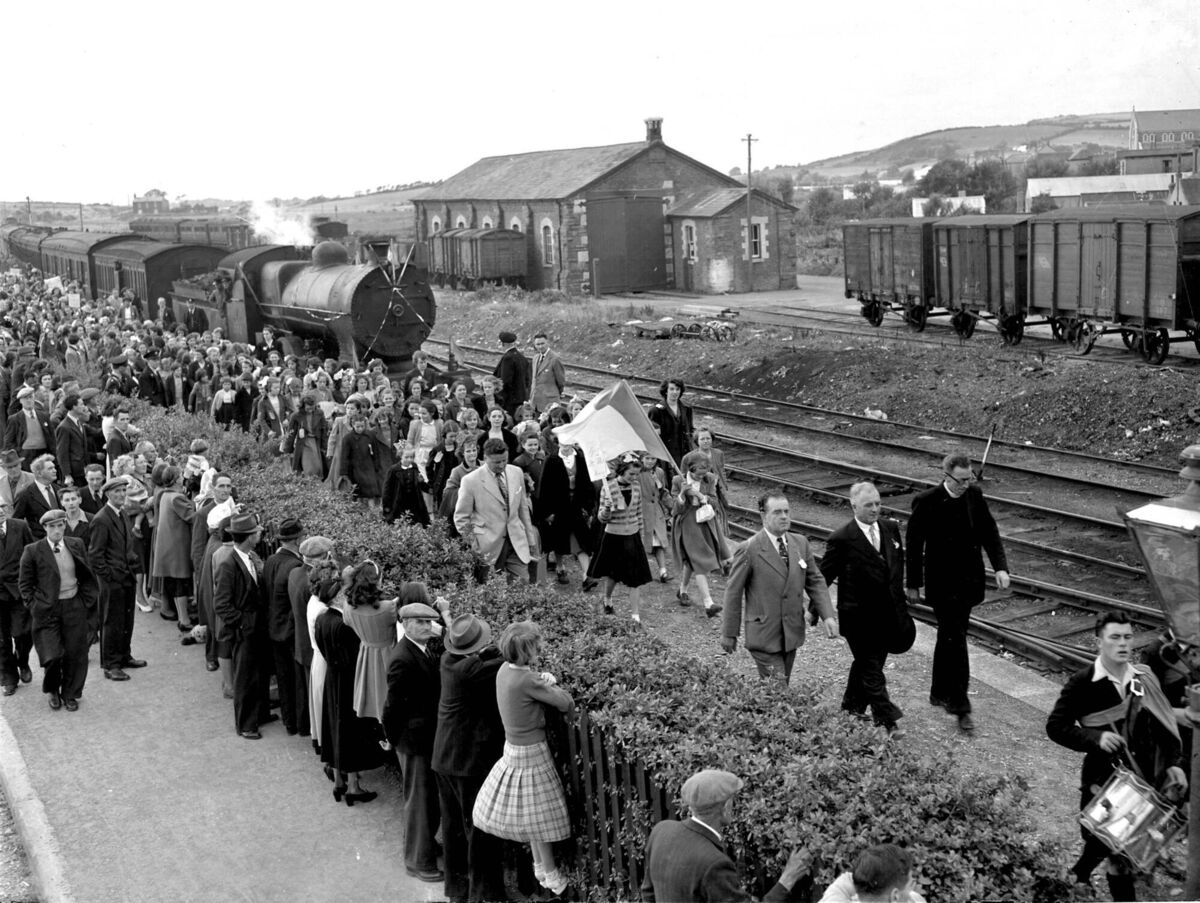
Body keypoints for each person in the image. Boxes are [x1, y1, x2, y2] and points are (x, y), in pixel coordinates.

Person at [1046, 611, 1186, 902]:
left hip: (1144, 778)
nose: (1123, 644)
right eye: (1115, 637)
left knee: (1116, 848)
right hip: (1104, 778)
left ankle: (1077, 875)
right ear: (1100, 641)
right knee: (1116, 854)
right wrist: (1095, 738)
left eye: (1127, 637)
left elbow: (1162, 726)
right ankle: (1078, 877)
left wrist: (1173, 766)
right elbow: (1056, 727)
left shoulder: (1144, 676)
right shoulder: (1082, 683)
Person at [906, 453, 1009, 733]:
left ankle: (939, 692)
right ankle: (960, 705)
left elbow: (990, 533)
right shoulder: (927, 501)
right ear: (947, 476)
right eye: (961, 480)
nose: (965, 484)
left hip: (968, 582)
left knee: (950, 635)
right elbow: (914, 544)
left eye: (969, 478)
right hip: (942, 585)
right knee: (957, 637)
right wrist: (913, 583)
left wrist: (1000, 568)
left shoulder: (974, 496)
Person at [473, 621, 574, 896]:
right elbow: (565, 702)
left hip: (512, 748)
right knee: (541, 817)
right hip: (532, 751)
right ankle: (551, 874)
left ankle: (540, 866)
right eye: (536, 648)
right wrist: (550, 682)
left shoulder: (505, 670)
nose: (539, 652)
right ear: (528, 652)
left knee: (532, 815)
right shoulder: (528, 680)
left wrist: (541, 678)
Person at [641, 769, 808, 903]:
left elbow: (648, 894)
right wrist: (788, 878)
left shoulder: (661, 831)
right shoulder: (714, 864)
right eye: (733, 800)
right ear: (726, 807)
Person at [819, 482, 907, 736]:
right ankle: (887, 720)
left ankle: (851, 708)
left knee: (869, 664)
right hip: (857, 617)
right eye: (869, 505)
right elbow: (824, 576)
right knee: (871, 668)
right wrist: (817, 610)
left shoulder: (890, 529)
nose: (875, 509)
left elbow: (896, 566)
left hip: (887, 615)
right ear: (854, 506)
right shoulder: (842, 538)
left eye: (878, 504)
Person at [722, 490, 837, 683]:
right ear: (763, 516)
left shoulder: (800, 543)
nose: (784, 516)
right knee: (778, 688)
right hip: (764, 635)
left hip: (791, 633)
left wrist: (827, 615)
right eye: (777, 512)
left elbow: (815, 581)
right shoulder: (750, 549)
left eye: (786, 511)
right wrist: (729, 633)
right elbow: (733, 592)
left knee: (777, 688)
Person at [432, 613, 507, 903]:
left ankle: (458, 891)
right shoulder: (473, 671)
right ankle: (484, 894)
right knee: (479, 830)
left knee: (453, 828)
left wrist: (482, 650)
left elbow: (483, 659)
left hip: (445, 757)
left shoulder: (448, 661)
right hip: (467, 762)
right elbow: (507, 659)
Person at [382, 587, 451, 883]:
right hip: (414, 742)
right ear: (407, 625)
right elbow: (392, 706)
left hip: (421, 738)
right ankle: (419, 862)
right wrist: (392, 738)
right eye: (421, 622)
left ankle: (425, 848)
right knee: (420, 802)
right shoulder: (403, 657)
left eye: (429, 622)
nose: (427, 627)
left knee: (426, 800)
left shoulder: (417, 649)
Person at [314, 567, 387, 805]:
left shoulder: (322, 619)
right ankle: (353, 786)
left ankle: (339, 780)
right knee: (350, 734)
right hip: (348, 682)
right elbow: (353, 657)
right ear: (337, 597)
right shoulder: (343, 624)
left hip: (332, 679)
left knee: (335, 729)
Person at [18, 509, 100, 713]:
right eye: (52, 526)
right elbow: (25, 584)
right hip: (47, 610)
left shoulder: (76, 544)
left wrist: (85, 600)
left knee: (75, 653)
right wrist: (35, 606)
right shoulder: (33, 550)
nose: (57, 530)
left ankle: (70, 693)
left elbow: (87, 573)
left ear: (64, 525)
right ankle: (53, 689)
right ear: (44, 528)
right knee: (52, 655)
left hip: (74, 605)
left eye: (60, 525)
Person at [213, 511, 273, 740]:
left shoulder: (248, 557)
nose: (259, 534)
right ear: (248, 537)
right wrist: (243, 623)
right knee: (246, 677)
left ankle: (260, 714)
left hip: (256, 627)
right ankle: (246, 724)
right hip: (245, 630)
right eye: (255, 532)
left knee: (259, 672)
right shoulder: (229, 565)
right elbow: (221, 605)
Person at [454, 438, 538, 583]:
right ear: (485, 458)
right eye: (496, 462)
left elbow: (523, 509)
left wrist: (531, 541)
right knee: (492, 589)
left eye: (504, 460)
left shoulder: (516, 472)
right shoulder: (470, 480)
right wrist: (475, 545)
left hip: (516, 542)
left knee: (523, 584)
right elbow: (461, 518)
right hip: (487, 546)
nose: (501, 465)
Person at [88, 477, 146, 682]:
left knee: (126, 619)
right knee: (111, 621)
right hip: (112, 580)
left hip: (126, 575)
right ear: (107, 494)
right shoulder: (101, 519)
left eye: (123, 490)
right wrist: (109, 577)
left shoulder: (122, 514)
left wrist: (132, 566)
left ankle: (124, 656)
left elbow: (127, 545)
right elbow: (95, 555)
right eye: (117, 491)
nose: (121, 494)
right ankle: (111, 664)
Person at [590, 453, 651, 622]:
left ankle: (635, 616)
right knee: (613, 574)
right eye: (631, 474)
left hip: (632, 536)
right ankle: (607, 599)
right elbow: (602, 519)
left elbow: (639, 512)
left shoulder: (636, 487)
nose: (634, 477)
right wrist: (607, 509)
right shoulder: (608, 488)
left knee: (635, 577)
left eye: (636, 474)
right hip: (614, 536)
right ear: (622, 471)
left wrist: (641, 534)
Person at [671, 451, 730, 616]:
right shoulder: (678, 480)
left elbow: (715, 503)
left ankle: (682, 590)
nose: (701, 477)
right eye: (698, 474)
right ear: (690, 469)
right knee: (699, 561)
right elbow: (675, 510)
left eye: (704, 473)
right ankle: (708, 603)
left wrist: (700, 496)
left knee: (694, 561)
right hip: (688, 523)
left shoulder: (709, 479)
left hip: (705, 522)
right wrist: (682, 494)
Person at [340, 560, 397, 725]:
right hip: (388, 654)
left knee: (372, 694)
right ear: (377, 581)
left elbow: (347, 622)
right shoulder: (388, 607)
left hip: (366, 654)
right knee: (387, 697)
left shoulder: (348, 606)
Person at [263, 518, 306, 736]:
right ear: (297, 540)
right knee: (295, 679)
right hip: (289, 630)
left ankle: (289, 721)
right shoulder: (295, 566)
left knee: (283, 676)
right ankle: (298, 723)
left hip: (273, 626)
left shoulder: (271, 560)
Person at [536, 442, 595, 586]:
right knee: (559, 540)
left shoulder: (580, 458)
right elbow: (544, 486)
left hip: (577, 506)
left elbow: (588, 483)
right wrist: (547, 512)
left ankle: (587, 575)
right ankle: (560, 567)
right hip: (558, 507)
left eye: (568, 442)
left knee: (582, 540)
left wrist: (588, 507)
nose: (566, 445)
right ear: (558, 442)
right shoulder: (551, 460)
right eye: (563, 442)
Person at [150, 464, 195, 629]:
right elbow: (192, 517)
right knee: (180, 583)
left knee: (174, 583)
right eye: (181, 475)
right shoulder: (177, 498)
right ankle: (184, 620)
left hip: (167, 547)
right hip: (177, 548)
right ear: (176, 479)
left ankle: (182, 618)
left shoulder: (165, 495)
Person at [0, 499, 34, 696]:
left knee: (23, 633)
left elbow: (32, 555)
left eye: (1, 507)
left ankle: (22, 660)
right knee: (1, 640)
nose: (0, 511)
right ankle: (9, 678)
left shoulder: (20, 527)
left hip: (18, 589)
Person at [818, 843, 927, 903]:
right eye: (910, 885)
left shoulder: (835, 898)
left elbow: (848, 879)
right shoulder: (914, 899)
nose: (911, 891)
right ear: (895, 896)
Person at [647, 378, 693, 466]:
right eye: (671, 389)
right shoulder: (656, 410)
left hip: (684, 451)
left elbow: (690, 429)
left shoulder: (687, 408)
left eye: (677, 389)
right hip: (665, 454)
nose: (675, 392)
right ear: (666, 391)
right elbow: (652, 437)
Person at [14, 454, 60, 539]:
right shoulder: (25, 494)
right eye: (50, 468)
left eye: (54, 467)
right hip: (39, 539)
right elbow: (16, 522)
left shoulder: (58, 489)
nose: (55, 470)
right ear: (39, 473)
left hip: (61, 536)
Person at [381, 445, 429, 526]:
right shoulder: (393, 470)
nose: (409, 459)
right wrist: (387, 505)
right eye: (406, 457)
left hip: (413, 502)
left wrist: (421, 482)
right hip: (398, 502)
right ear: (401, 456)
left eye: (411, 457)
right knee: (398, 523)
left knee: (414, 523)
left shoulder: (414, 467)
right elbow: (387, 489)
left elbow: (419, 484)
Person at [54, 392, 92, 488]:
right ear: (74, 407)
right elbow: (62, 453)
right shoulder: (64, 427)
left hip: (84, 469)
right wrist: (67, 475)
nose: (84, 407)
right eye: (81, 404)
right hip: (74, 472)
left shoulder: (79, 422)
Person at [493, 331, 530, 420]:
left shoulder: (508, 358)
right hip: (521, 397)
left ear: (503, 344)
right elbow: (527, 379)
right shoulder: (522, 357)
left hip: (510, 400)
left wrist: (499, 397)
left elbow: (505, 381)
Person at [528, 332, 566, 414]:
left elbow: (561, 381)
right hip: (535, 403)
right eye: (538, 344)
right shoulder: (535, 358)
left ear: (548, 343)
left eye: (542, 343)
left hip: (549, 402)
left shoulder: (555, 359)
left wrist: (555, 393)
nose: (540, 346)